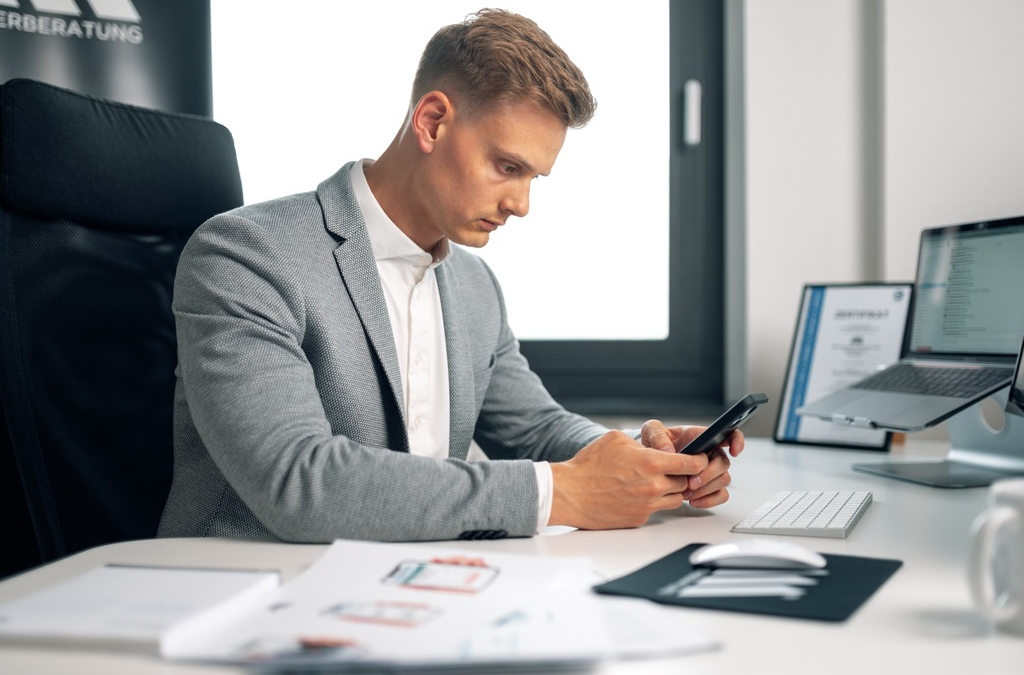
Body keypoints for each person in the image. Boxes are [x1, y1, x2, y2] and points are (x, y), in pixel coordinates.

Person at [158, 8, 744, 543]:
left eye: (533, 178)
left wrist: (645, 461)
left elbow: (535, 427)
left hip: (411, 590)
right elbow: (297, 482)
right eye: (508, 167)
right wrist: (564, 492)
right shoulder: (246, 254)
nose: (521, 204)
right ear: (433, 122)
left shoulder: (475, 286)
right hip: (244, 598)